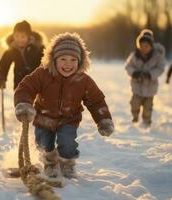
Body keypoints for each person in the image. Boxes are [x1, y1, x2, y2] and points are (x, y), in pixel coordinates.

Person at [14, 33, 114, 179]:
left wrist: (103, 120)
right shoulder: (43, 74)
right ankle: (50, 163)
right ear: (54, 60)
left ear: (80, 62)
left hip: (69, 120)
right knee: (43, 144)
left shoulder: (83, 80)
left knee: (67, 144)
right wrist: (24, 104)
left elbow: (96, 101)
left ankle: (67, 164)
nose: (68, 64)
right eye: (63, 59)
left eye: (73, 60)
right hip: (44, 118)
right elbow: (26, 87)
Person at [125, 30, 165, 126]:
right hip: (137, 86)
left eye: (146, 46)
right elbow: (128, 66)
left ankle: (146, 122)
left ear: (151, 46)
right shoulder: (135, 55)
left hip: (150, 87)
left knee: (148, 107)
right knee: (134, 104)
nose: (144, 48)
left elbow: (160, 68)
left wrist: (151, 74)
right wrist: (134, 73)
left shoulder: (157, 56)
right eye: (141, 46)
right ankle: (134, 118)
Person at [0, 20, 44, 90]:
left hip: (37, 84)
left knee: (35, 100)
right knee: (21, 99)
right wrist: (1, 78)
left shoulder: (37, 48)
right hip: (19, 83)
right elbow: (4, 63)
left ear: (29, 36)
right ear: (13, 36)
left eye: (22, 37)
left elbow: (47, 62)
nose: (19, 39)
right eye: (17, 36)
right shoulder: (12, 49)